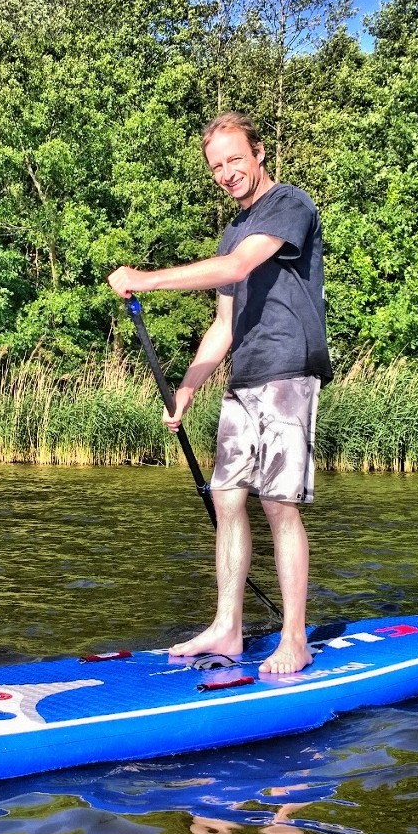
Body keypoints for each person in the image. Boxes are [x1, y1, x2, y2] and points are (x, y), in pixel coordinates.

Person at [107, 111, 332, 675]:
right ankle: (228, 628)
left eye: (235, 159)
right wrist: (187, 388)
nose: (227, 172)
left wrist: (147, 279)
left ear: (258, 152)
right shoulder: (233, 229)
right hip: (244, 375)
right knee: (227, 498)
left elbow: (236, 266)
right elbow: (224, 325)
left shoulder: (290, 204)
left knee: (278, 503)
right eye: (216, 166)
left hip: (288, 369)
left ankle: (295, 639)